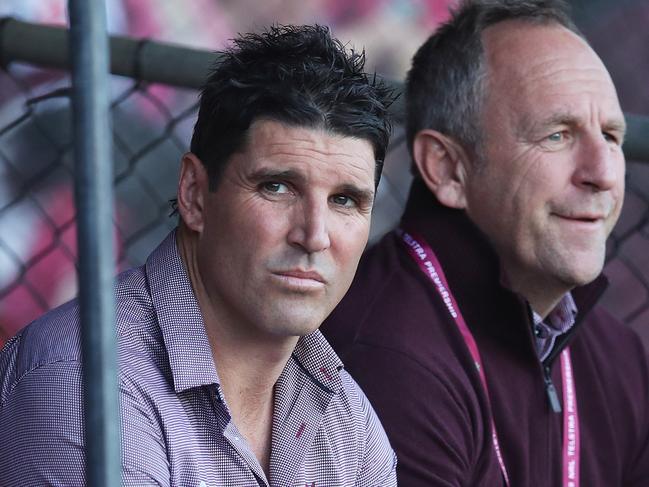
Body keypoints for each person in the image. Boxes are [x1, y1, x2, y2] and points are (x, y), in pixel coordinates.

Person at [0, 25, 398, 486]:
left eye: (345, 200)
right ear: (193, 194)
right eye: (277, 186)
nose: (314, 235)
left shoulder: (342, 409)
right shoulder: (86, 381)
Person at [322, 1, 649, 485]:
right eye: (557, 136)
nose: (602, 174)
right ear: (447, 168)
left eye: (611, 136)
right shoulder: (382, 354)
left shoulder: (617, 355)